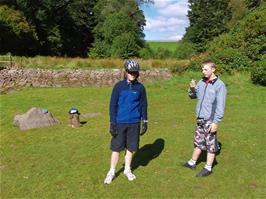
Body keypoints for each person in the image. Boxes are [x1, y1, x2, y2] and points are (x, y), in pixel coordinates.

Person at [104, 60, 148, 184]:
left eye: (134, 72)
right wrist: (112, 122)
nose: (132, 74)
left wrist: (145, 120)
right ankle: (112, 171)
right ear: (125, 72)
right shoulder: (119, 86)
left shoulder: (140, 88)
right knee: (116, 148)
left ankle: (127, 169)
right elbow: (113, 105)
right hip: (120, 122)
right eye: (130, 72)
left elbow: (144, 105)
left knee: (130, 147)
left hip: (134, 122)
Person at [182, 60, 226, 177]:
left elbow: (220, 106)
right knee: (198, 142)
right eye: (202, 69)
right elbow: (192, 96)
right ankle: (192, 163)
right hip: (200, 119)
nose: (203, 71)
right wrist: (192, 88)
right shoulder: (201, 82)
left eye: (205, 69)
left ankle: (208, 168)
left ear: (213, 69)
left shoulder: (219, 85)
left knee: (210, 145)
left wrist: (216, 122)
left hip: (210, 120)